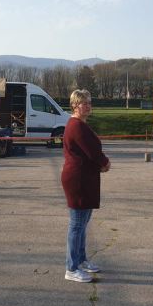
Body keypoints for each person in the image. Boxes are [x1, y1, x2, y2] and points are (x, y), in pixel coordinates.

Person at [61, 89, 110, 283]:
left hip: (84, 177)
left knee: (82, 223)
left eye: (89, 102)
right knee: (77, 224)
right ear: (75, 105)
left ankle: (80, 260)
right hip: (77, 179)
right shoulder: (76, 126)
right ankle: (71, 268)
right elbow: (92, 152)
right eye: (84, 103)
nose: (88, 106)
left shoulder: (79, 124)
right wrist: (105, 163)